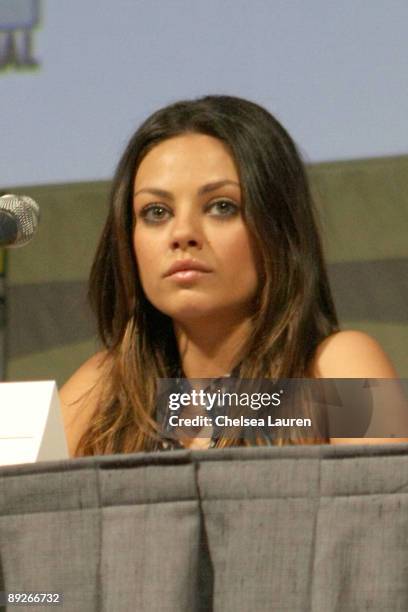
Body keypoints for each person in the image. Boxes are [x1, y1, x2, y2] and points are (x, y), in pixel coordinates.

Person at [60, 94, 407, 457]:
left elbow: (388, 509)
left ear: (278, 229)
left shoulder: (335, 366)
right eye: (156, 212)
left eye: (221, 207)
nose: (182, 234)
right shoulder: (105, 389)